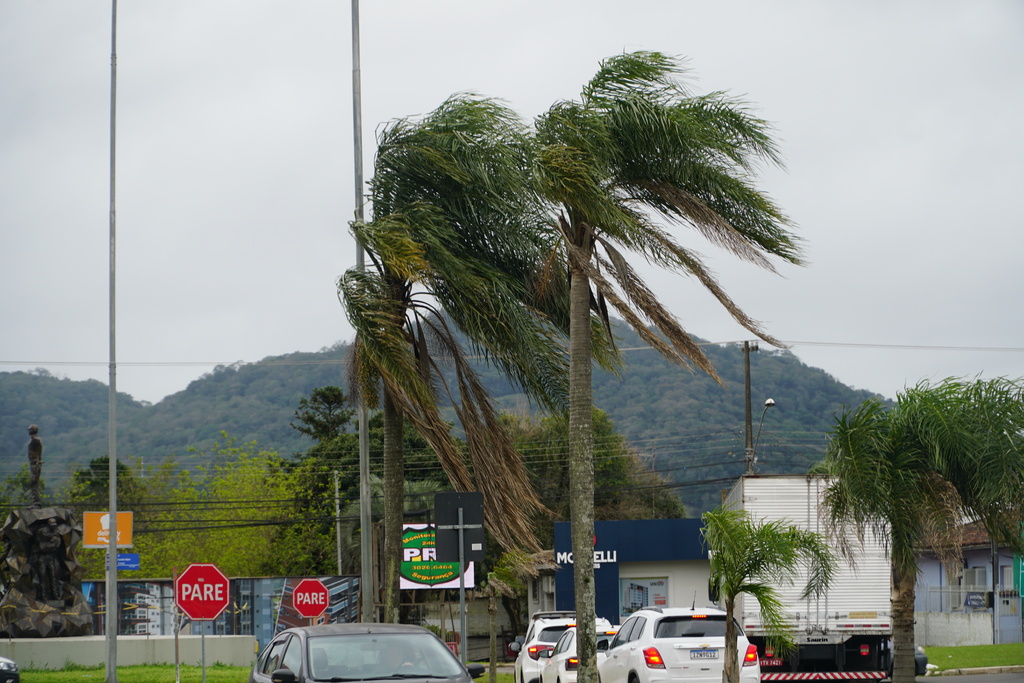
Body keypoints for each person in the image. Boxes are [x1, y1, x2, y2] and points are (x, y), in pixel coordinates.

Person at [27, 424, 42, 507]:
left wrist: (36, 461)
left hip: (35, 463)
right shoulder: (34, 439)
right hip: (33, 463)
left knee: (34, 482)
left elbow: (38, 452)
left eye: (30, 429)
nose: (29, 431)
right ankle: (35, 501)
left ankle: (36, 502)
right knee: (33, 483)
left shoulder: (35, 439)